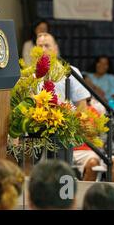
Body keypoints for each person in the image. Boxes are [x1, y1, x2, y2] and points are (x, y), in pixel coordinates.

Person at [36, 32, 90, 163]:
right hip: (36, 129)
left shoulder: (70, 71)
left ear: (55, 48)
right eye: (39, 46)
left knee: (60, 173)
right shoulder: (30, 73)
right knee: (35, 173)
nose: (43, 49)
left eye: (47, 45)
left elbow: (81, 104)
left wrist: (76, 130)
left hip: (62, 130)